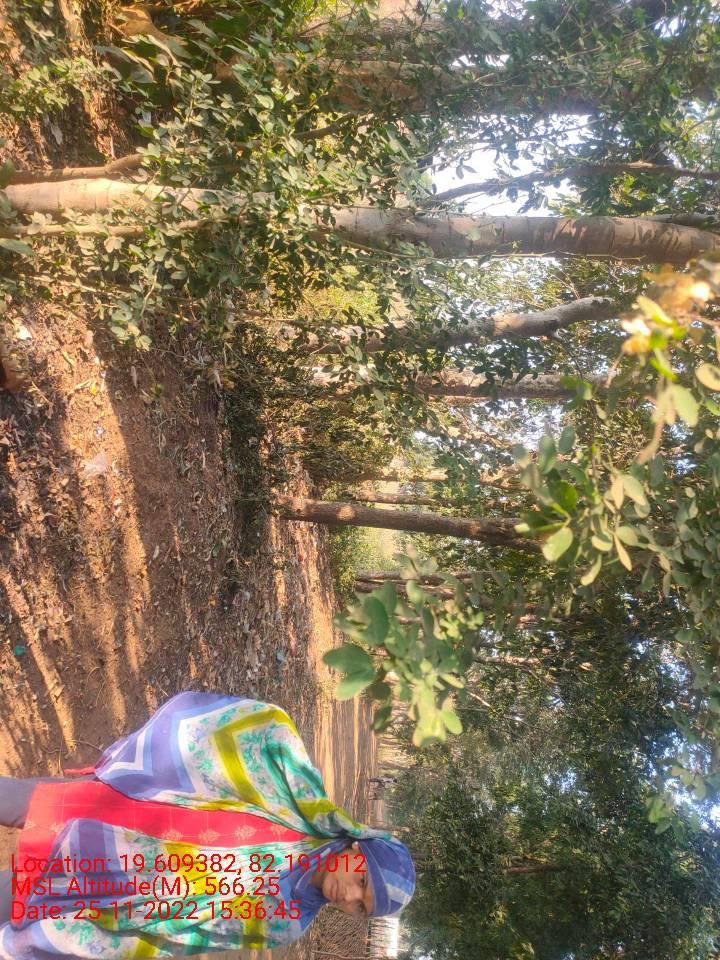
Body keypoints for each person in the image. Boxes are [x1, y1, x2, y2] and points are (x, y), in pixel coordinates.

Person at [0, 692, 415, 958]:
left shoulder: (288, 921)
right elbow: (267, 732)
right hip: (125, 807)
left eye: (361, 908)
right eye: (363, 881)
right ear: (358, 847)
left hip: (117, 890)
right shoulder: (302, 801)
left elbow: (197, 932)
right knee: (23, 802)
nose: (350, 897)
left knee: (16, 892)